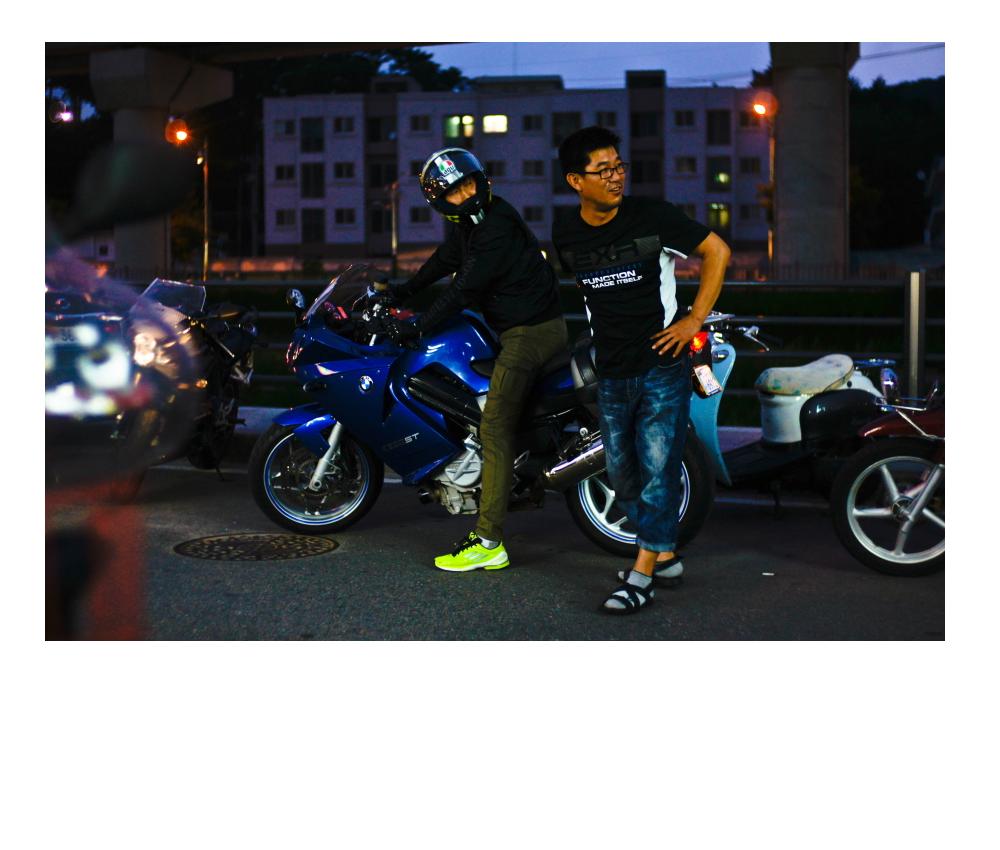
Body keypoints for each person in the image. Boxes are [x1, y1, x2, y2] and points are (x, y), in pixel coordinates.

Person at [552, 126, 730, 614]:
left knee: (658, 469)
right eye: (602, 170)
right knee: (621, 474)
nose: (616, 177)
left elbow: (717, 251)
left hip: (662, 365)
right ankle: (664, 554)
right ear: (575, 181)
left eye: (619, 166)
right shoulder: (566, 234)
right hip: (611, 370)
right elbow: (586, 293)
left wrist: (693, 320)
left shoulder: (652, 216)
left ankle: (642, 574)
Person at [386, 147, 568, 572]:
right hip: (518, 328)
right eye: (455, 191)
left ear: (480, 180)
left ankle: (488, 540)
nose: (465, 194)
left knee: (494, 426)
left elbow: (464, 289)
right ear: (441, 201)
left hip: (531, 332)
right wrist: (403, 291)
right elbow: (446, 259)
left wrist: (417, 326)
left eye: (468, 184)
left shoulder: (495, 225)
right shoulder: (473, 223)